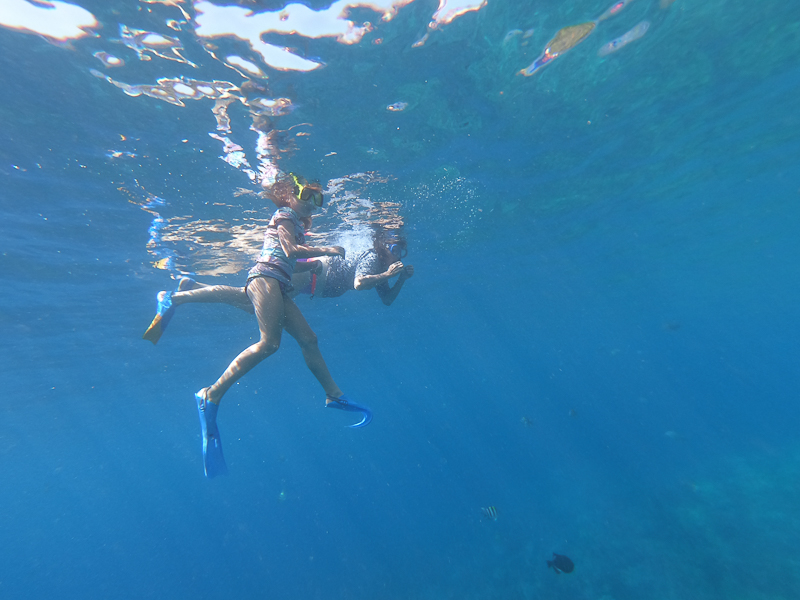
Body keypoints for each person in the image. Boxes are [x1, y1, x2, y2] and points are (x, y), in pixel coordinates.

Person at [143, 173, 372, 479]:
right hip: (267, 280)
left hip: (274, 282)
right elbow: (290, 252)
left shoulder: (294, 222)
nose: (313, 204)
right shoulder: (285, 216)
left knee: (308, 339)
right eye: (308, 195)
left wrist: (313, 264)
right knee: (269, 343)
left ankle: (334, 394)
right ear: (290, 194)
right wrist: (326, 252)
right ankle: (210, 395)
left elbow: (288, 259)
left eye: (319, 200)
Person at [290, 232, 414, 304]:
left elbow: (387, 300)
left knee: (278, 297)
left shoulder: (381, 269)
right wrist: (388, 275)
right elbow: (359, 283)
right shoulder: (373, 256)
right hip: (316, 273)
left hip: (316, 286)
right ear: (384, 248)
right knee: (278, 280)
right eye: (395, 250)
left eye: (401, 252)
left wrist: (401, 279)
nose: (398, 257)